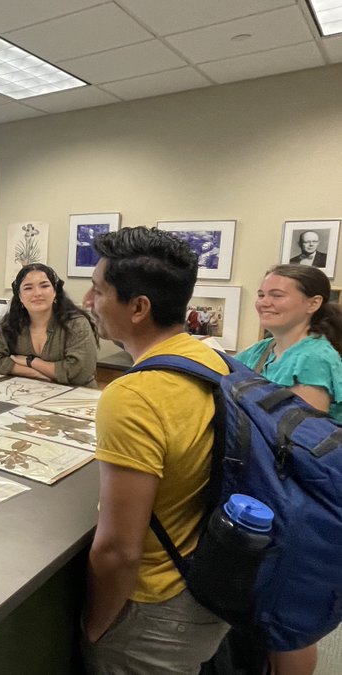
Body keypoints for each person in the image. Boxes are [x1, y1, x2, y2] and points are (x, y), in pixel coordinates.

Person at [80, 227, 230, 674]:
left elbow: (118, 551)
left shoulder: (134, 395)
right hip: (209, 578)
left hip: (156, 607)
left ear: (139, 307)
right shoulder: (209, 357)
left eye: (98, 290)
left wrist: (96, 625)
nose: (88, 301)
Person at [234, 264, 342, 675]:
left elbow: (299, 443)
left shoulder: (315, 358)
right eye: (262, 293)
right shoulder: (261, 350)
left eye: (277, 294)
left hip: (306, 504)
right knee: (264, 610)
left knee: (289, 621)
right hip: (269, 494)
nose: (264, 301)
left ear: (313, 304)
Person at [0, 263, 98, 386]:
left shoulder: (77, 324)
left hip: (78, 397)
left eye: (44, 286)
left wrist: (31, 362)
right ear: (20, 297)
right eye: (28, 288)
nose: (37, 293)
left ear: (55, 292)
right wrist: (37, 374)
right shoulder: (9, 324)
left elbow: (80, 373)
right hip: (30, 393)